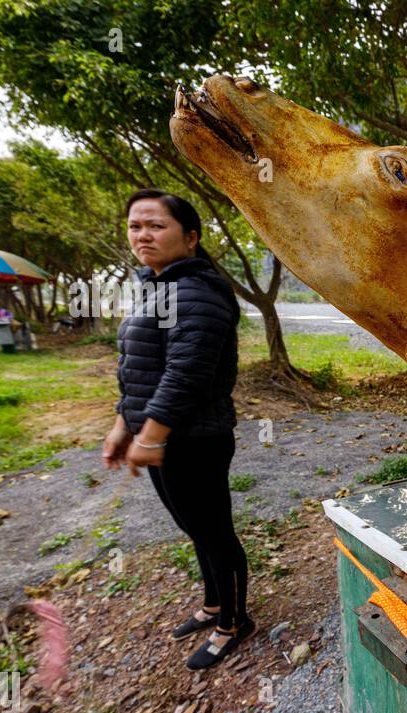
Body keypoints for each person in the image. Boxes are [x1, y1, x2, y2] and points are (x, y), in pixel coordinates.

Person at [102, 189, 255, 669]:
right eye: (135, 226)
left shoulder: (197, 292)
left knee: (213, 533)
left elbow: (186, 374)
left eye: (155, 225)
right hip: (166, 436)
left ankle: (234, 623)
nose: (142, 234)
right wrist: (122, 426)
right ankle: (213, 604)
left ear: (190, 237)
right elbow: (142, 369)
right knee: (194, 528)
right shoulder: (157, 287)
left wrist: (150, 435)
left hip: (195, 440)